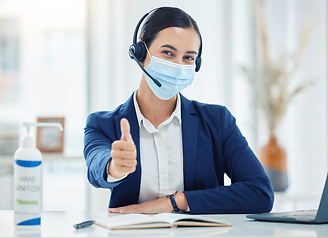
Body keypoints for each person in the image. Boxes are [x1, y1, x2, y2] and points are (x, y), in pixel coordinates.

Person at [84, 7, 274, 214]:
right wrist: (114, 167)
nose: (178, 65)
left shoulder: (217, 121)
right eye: (168, 53)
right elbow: (96, 168)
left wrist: (176, 202)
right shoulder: (101, 124)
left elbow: (260, 193)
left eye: (188, 58)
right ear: (139, 53)